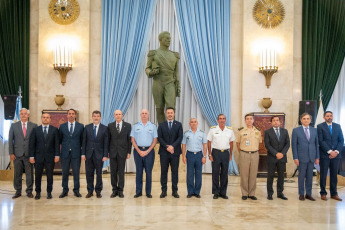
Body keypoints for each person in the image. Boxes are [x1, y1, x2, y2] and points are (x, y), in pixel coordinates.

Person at [145, 31, 180, 124]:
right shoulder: (153, 53)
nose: (169, 40)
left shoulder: (174, 55)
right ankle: (161, 130)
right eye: (166, 38)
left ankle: (171, 129)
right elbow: (147, 68)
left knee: (171, 107)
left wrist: (178, 86)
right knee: (159, 107)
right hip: (158, 82)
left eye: (170, 38)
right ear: (160, 40)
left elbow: (176, 73)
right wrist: (151, 72)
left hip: (170, 82)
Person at [29, 112, 59, 200]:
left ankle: (49, 192)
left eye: (47, 117)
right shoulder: (36, 130)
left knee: (50, 176)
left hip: (50, 157)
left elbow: (57, 144)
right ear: (41, 119)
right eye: (44, 117)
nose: (45, 119)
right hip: (38, 157)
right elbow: (32, 144)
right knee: (38, 176)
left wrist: (57, 155)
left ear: (50, 119)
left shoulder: (54, 130)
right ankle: (38, 192)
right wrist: (31, 156)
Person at [8, 108, 37, 199]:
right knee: (17, 173)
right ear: (20, 115)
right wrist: (11, 153)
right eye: (21, 114)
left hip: (29, 154)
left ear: (28, 115)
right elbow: (10, 140)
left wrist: (34, 154)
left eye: (25, 114)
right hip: (17, 154)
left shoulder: (34, 126)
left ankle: (29, 191)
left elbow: (36, 141)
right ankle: (18, 191)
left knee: (29, 174)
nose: (23, 115)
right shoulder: (14, 126)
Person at [292, 112, 319, 201]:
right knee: (301, 176)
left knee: (310, 177)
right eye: (304, 118)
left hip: (312, 157)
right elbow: (294, 145)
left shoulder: (314, 130)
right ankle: (301, 194)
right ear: (301, 120)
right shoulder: (296, 130)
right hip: (301, 157)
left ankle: (308, 193)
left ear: (310, 120)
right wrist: (295, 157)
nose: (306, 120)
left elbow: (316, 144)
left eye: (308, 118)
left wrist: (317, 157)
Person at [317, 111, 344, 201]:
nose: (329, 117)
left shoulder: (337, 126)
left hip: (336, 156)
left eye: (331, 116)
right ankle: (323, 193)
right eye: (327, 116)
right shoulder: (320, 126)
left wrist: (335, 152)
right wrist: (329, 151)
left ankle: (334, 194)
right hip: (325, 155)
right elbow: (321, 141)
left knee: (334, 175)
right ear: (324, 117)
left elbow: (341, 140)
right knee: (323, 175)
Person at [131, 109, 157, 198]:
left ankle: (148, 192)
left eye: (146, 113)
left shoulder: (153, 126)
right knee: (139, 172)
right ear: (140, 115)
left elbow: (155, 140)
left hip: (149, 152)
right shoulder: (135, 126)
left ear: (148, 115)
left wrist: (147, 151)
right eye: (143, 113)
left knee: (148, 172)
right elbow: (132, 140)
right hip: (138, 151)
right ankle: (138, 192)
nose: (144, 115)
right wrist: (139, 151)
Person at [207, 114, 235, 199]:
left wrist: (230, 155)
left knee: (224, 173)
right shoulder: (213, 130)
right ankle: (216, 192)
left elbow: (231, 143)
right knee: (215, 173)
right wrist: (210, 154)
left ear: (225, 120)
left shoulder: (229, 130)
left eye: (223, 119)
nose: (222, 120)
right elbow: (209, 142)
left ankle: (223, 192)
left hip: (225, 153)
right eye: (220, 119)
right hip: (215, 153)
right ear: (217, 120)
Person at [82, 110, 108, 198]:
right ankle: (90, 191)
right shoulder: (87, 127)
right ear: (92, 117)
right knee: (89, 173)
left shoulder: (105, 128)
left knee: (99, 174)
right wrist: (83, 154)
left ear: (100, 118)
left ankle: (98, 191)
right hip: (88, 154)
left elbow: (106, 143)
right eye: (94, 116)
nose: (96, 118)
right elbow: (84, 142)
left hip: (99, 155)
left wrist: (105, 155)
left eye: (98, 116)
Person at [158, 107, 183, 198]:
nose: (170, 114)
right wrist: (167, 147)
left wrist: (172, 146)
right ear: (166, 114)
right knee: (163, 172)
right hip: (164, 153)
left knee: (175, 172)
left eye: (171, 112)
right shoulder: (161, 125)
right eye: (168, 113)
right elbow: (159, 138)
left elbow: (180, 137)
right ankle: (163, 191)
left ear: (174, 114)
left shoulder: (179, 124)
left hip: (175, 152)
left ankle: (174, 191)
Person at [59, 109, 84, 198]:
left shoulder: (81, 126)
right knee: (64, 172)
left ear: (75, 115)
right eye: (69, 114)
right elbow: (60, 140)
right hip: (65, 153)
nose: (71, 115)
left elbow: (82, 141)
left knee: (76, 173)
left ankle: (76, 191)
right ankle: (65, 190)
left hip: (76, 153)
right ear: (67, 115)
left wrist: (82, 153)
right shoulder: (62, 126)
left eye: (73, 114)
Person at [264, 115, 290, 200]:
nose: (276, 122)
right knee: (270, 176)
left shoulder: (285, 131)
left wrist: (282, 153)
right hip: (272, 157)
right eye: (274, 120)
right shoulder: (267, 132)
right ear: (271, 122)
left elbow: (287, 144)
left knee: (281, 176)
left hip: (282, 158)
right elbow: (267, 145)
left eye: (277, 120)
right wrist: (276, 153)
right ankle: (270, 193)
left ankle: (280, 193)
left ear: (280, 122)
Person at [237, 113, 262, 200]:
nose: (249, 120)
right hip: (244, 154)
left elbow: (260, 143)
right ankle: (244, 193)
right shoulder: (241, 131)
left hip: (255, 154)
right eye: (247, 119)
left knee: (253, 174)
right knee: (244, 175)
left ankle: (251, 193)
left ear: (253, 120)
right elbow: (238, 143)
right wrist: (242, 152)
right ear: (245, 120)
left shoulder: (258, 131)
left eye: (251, 119)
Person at [108, 110, 131, 198]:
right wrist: (107, 152)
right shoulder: (110, 126)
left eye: (119, 114)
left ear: (122, 115)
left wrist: (128, 152)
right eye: (116, 114)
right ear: (114, 116)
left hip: (123, 152)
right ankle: (114, 190)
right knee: (113, 172)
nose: (118, 116)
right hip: (112, 152)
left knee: (121, 172)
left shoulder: (128, 126)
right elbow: (108, 140)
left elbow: (129, 140)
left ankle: (121, 190)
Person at [182, 118, 207, 198]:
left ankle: (197, 192)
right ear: (189, 124)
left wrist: (204, 156)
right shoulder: (186, 133)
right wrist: (183, 156)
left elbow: (205, 145)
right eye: (192, 122)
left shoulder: (202, 133)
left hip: (199, 155)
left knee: (198, 174)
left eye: (195, 122)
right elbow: (184, 145)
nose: (193, 123)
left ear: (197, 123)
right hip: (189, 155)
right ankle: (190, 192)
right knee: (189, 174)